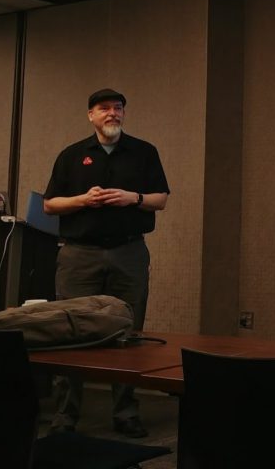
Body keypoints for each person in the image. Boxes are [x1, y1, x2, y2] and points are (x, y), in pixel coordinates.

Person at [43, 88, 169, 438]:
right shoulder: (72, 155)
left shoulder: (144, 152)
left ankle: (126, 412)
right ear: (91, 115)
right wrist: (83, 200)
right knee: (70, 329)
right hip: (79, 254)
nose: (113, 114)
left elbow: (161, 200)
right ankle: (65, 415)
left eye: (118, 108)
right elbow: (50, 204)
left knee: (129, 331)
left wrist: (134, 197)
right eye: (104, 109)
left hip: (129, 252)